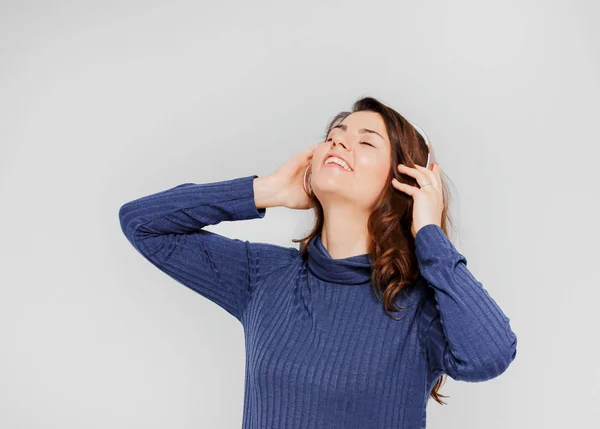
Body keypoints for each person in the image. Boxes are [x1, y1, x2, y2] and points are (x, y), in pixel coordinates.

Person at [118, 96, 517, 429]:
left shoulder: (415, 306)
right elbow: (142, 224)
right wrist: (265, 190)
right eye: (333, 136)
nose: (339, 144)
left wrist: (428, 232)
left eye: (366, 142)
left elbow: (489, 355)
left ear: (405, 183)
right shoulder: (264, 276)